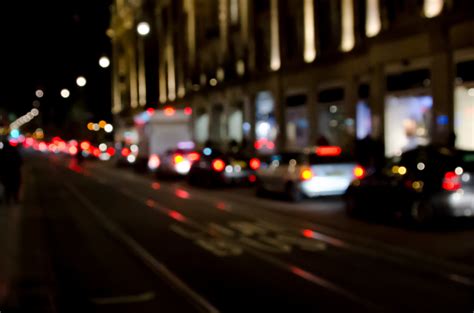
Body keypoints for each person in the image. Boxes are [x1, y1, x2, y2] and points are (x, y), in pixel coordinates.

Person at [0, 140, 23, 205]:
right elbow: (20, 162)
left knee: (7, 188)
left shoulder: (2, 153)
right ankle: (15, 200)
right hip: (14, 173)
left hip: (6, 174)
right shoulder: (14, 151)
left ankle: (8, 200)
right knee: (15, 187)